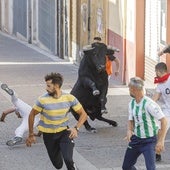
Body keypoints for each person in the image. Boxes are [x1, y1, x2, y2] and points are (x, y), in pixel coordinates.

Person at [26, 72, 87, 170]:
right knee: (58, 165)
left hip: (64, 133)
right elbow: (32, 114)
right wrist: (31, 134)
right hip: (48, 135)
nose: (46, 88)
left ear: (57, 86)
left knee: (68, 159)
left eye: (49, 86)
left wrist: (76, 128)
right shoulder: (42, 100)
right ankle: (60, 150)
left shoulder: (69, 98)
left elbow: (83, 114)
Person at [122, 77, 167, 170]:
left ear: (134, 90)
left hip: (149, 141)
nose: (129, 90)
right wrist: (129, 130)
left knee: (151, 168)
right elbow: (130, 119)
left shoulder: (149, 104)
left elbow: (164, 121)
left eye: (129, 88)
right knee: (126, 167)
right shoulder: (131, 104)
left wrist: (161, 141)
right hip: (136, 140)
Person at [152, 62, 170, 161]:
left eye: (155, 71)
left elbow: (154, 99)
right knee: (160, 131)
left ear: (158, 71)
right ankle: (157, 153)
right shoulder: (160, 84)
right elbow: (154, 99)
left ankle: (157, 154)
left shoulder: (162, 83)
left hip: (167, 111)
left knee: (161, 131)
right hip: (166, 111)